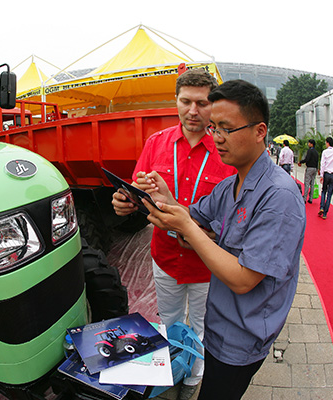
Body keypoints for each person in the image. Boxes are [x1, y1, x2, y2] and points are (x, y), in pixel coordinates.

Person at [139, 80, 306, 399]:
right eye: (213, 128)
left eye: (226, 128)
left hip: (241, 336)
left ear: (260, 131)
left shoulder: (279, 197)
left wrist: (186, 227)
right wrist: (166, 198)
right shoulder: (232, 184)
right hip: (220, 322)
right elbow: (192, 215)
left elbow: (244, 279)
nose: (216, 138)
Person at [111, 68, 235, 399]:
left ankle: (193, 380)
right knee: (166, 322)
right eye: (185, 102)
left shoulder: (226, 153)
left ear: (213, 105)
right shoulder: (156, 144)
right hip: (164, 258)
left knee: (201, 327)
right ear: (175, 101)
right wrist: (124, 203)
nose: (193, 111)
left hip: (207, 266)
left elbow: (233, 218)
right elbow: (138, 193)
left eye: (202, 102)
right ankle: (169, 373)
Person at [318, 136, 333, 220]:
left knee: (323, 191)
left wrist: (321, 175)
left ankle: (321, 206)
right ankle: (325, 213)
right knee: (329, 194)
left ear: (328, 143)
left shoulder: (324, 152)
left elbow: (322, 164)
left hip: (326, 174)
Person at [298, 139, 319, 203]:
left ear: (311, 144)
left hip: (309, 168)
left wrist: (301, 162)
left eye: (309, 143)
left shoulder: (310, 151)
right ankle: (310, 199)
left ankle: (304, 198)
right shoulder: (316, 152)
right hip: (315, 168)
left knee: (307, 183)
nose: (308, 144)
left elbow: (307, 159)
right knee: (312, 183)